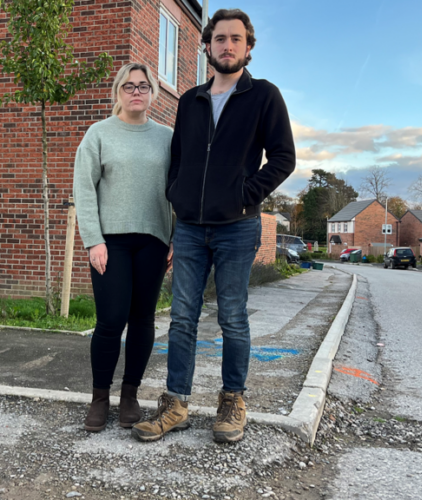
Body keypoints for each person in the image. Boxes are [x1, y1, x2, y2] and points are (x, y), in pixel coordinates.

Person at [132, 9, 296, 443]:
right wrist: (177, 193)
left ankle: (232, 403)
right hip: (189, 227)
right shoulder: (190, 99)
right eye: (220, 38)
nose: (227, 45)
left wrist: (245, 193)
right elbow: (180, 160)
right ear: (207, 46)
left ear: (248, 47)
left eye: (235, 39)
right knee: (182, 318)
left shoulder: (264, 96)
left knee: (233, 318)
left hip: (237, 227)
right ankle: (176, 404)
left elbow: (283, 158)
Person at [73, 63, 175, 432]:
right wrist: (93, 241)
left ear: (152, 94)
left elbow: (176, 190)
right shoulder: (98, 134)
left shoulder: (166, 137)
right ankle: (100, 399)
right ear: (117, 91)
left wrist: (175, 236)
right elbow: (84, 190)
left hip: (153, 241)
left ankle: (129, 397)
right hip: (110, 243)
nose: (136, 92)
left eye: (143, 86)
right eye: (129, 86)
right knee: (111, 320)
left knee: (143, 320)